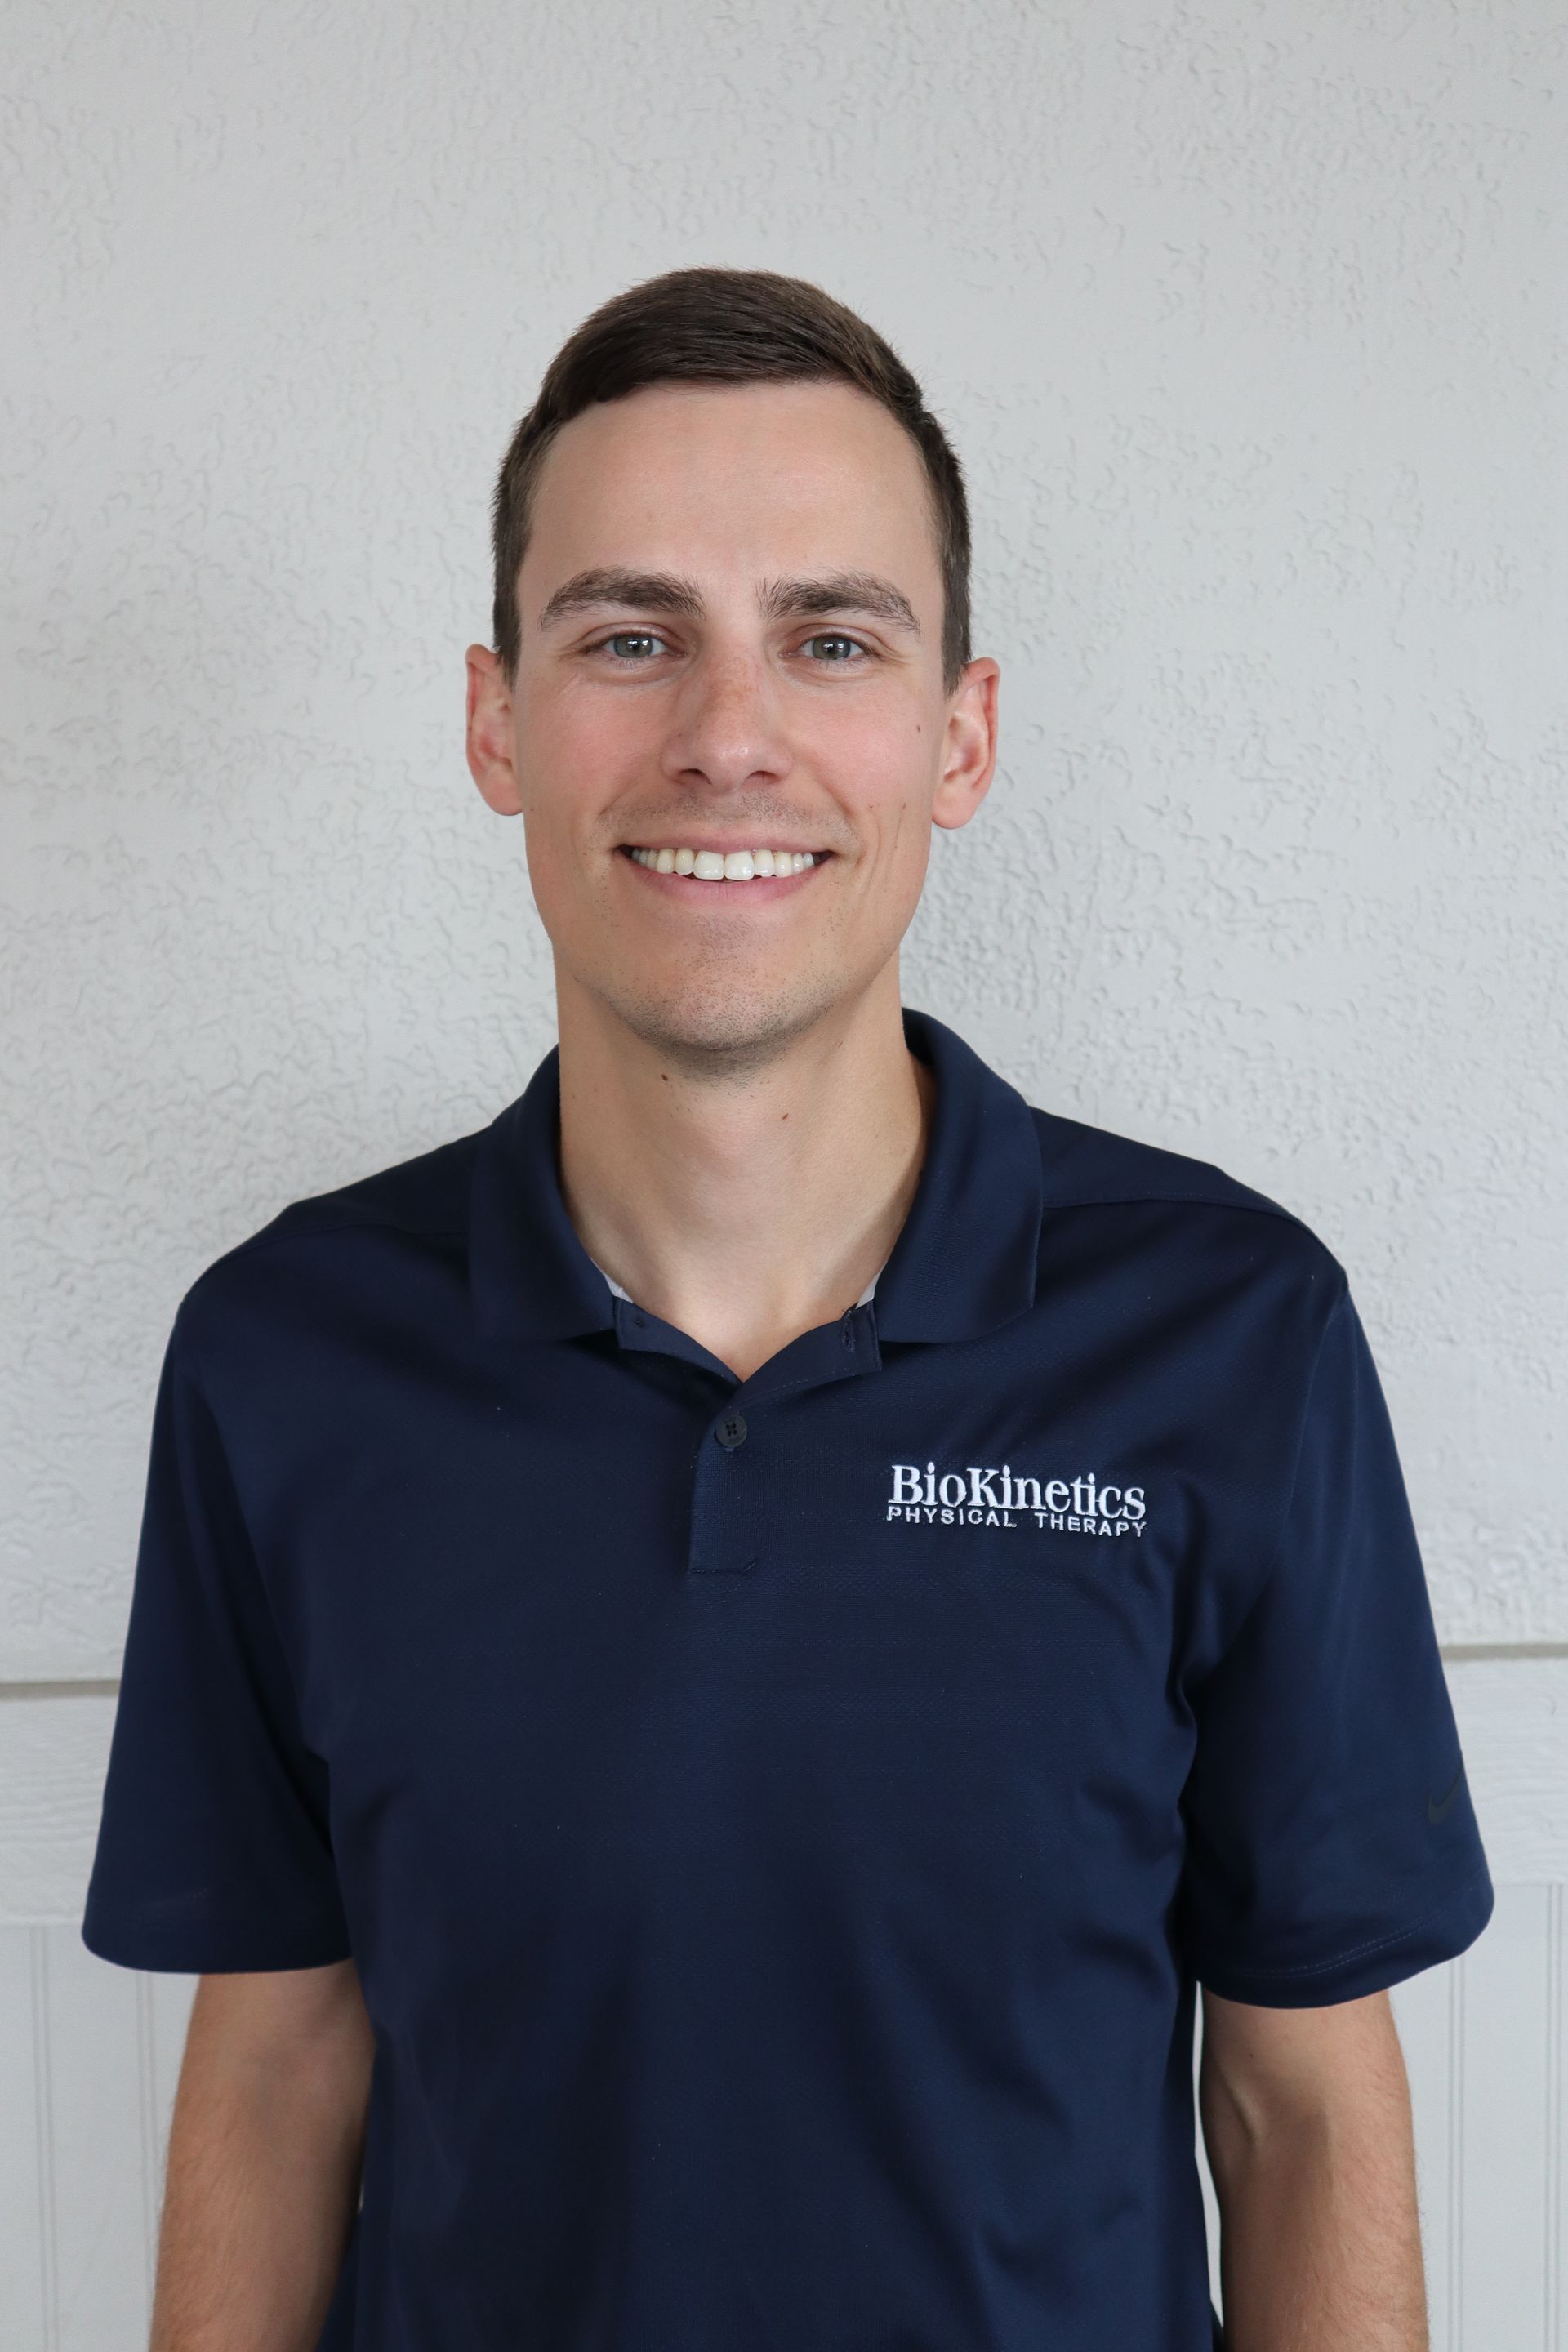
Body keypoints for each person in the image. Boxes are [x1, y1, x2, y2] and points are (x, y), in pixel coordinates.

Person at [82, 265, 1493, 2352]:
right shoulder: (287, 1358)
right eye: (629, 637)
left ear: (960, 734)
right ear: (495, 720)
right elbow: (283, 2070)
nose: (727, 737)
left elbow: (1298, 2108)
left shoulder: (1233, 1335)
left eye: (830, 640)